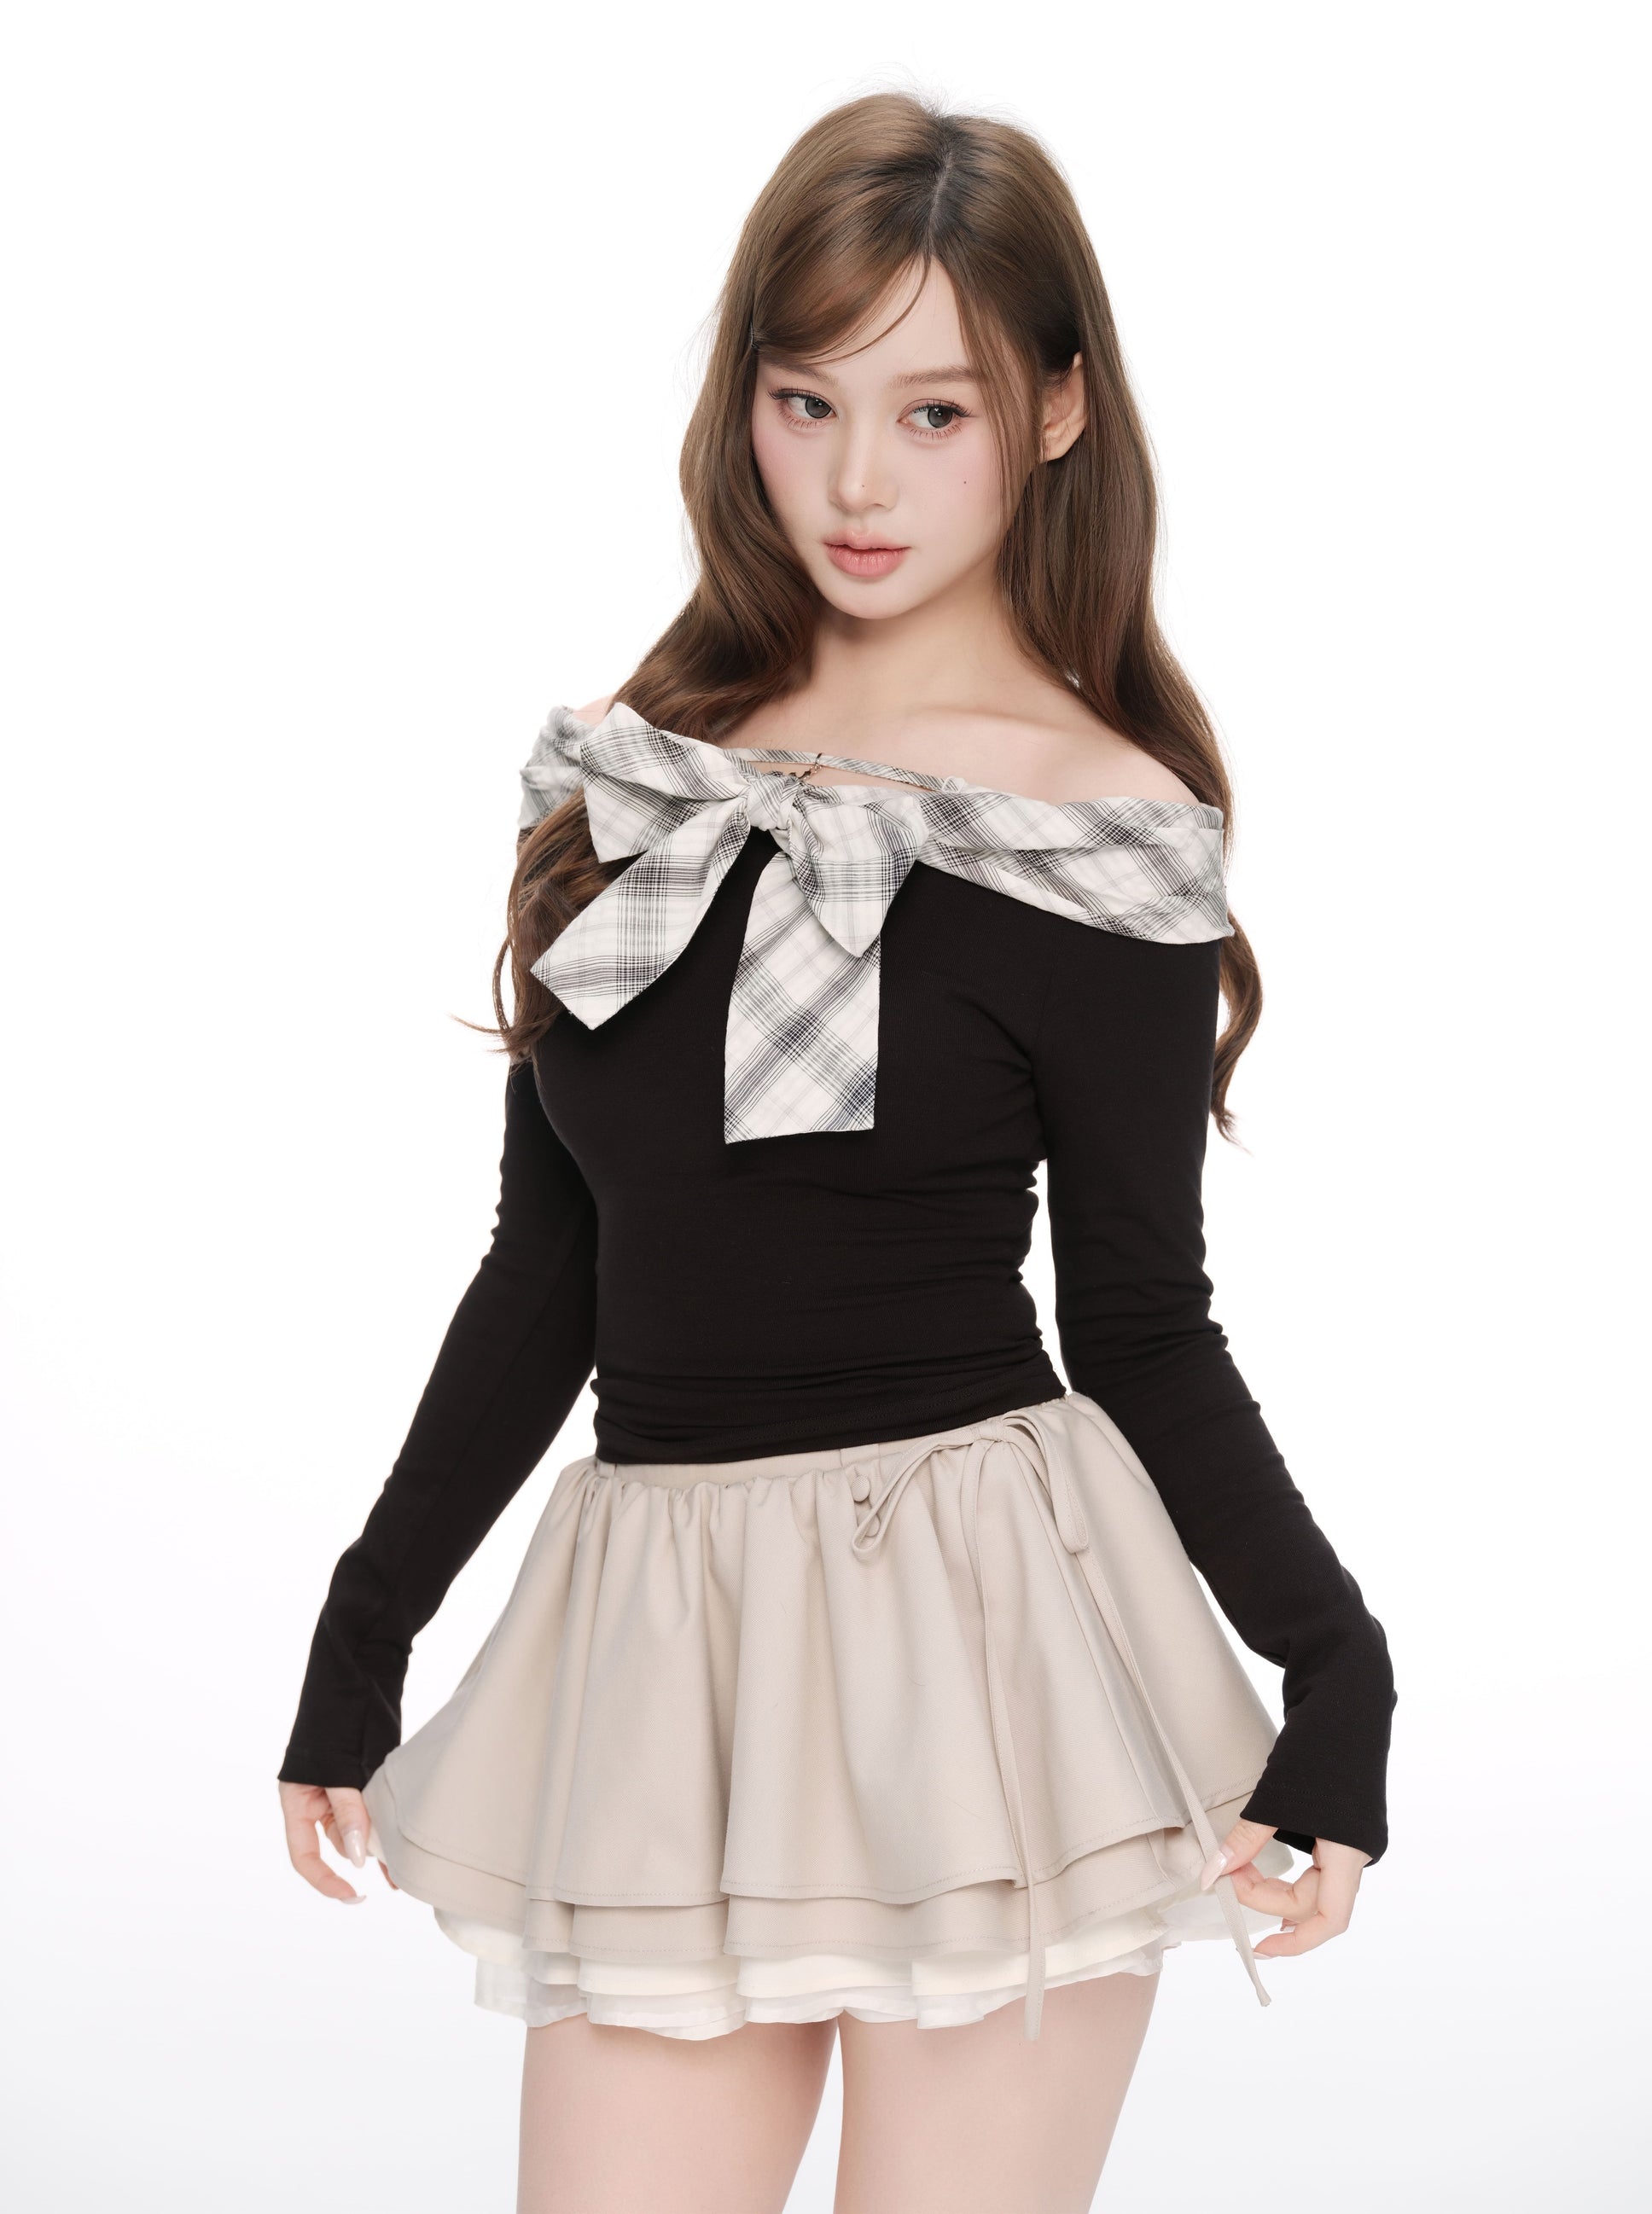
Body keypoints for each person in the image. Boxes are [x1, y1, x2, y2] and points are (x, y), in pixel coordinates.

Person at [276, 90, 1394, 2214]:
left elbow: (1142, 1320)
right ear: (745, 405)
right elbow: (548, 1265)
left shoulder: (1099, 829)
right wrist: (365, 1626)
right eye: (806, 401)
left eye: (933, 412)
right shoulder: (643, 777)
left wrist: (1334, 1659)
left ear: (1055, 410)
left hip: (984, 1643)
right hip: (659, 1638)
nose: (858, 481)